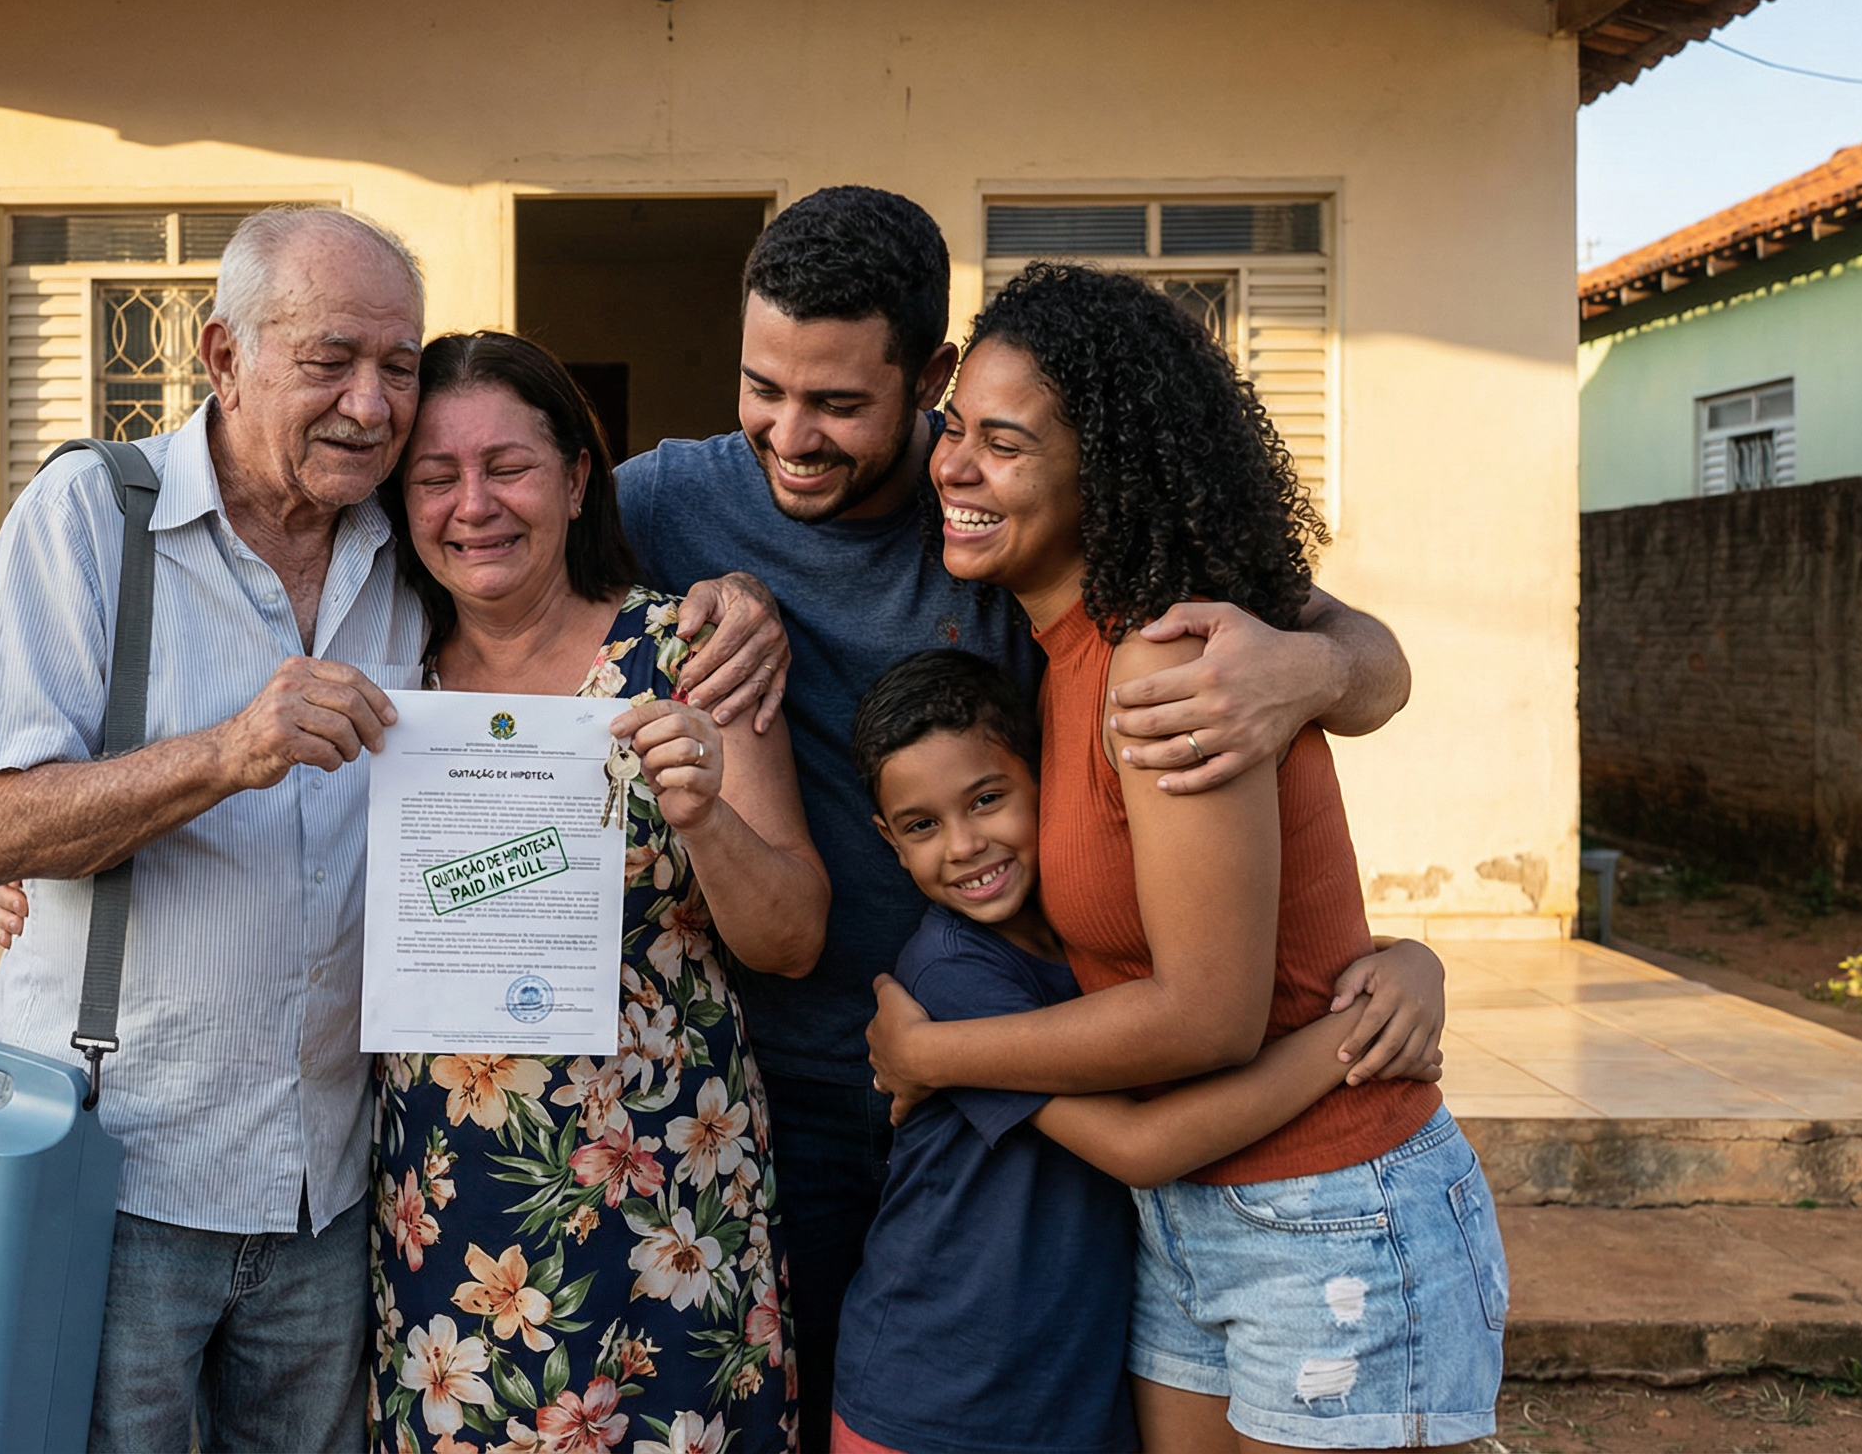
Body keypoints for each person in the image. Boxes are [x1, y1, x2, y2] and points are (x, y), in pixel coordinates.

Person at [0, 210, 789, 1451]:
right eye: (330, 358)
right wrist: (222, 755)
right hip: (127, 1177)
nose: (369, 403)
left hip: (342, 1192)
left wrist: (746, 598)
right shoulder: (89, 518)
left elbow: (567, 573)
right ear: (221, 354)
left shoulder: (404, 559)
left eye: (396, 366)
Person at [610, 186, 1421, 1452]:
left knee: (1030, 1411)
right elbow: (482, 543)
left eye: (837, 403)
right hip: (792, 1088)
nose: (789, 434)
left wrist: (1313, 672)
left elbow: (1347, 649)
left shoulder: (1021, 500)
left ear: (925, 376)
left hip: (1041, 1074)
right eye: (762, 387)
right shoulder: (671, 505)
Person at [865, 264, 1506, 1451]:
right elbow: (1359, 657)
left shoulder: (1166, 661)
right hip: (1184, 1211)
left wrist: (937, 1052)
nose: (952, 465)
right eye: (954, 427)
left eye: (1003, 445)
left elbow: (1207, 1016)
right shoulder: (1052, 636)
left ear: (1100, 473)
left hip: (1329, 1209)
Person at [369, 332, 823, 1454]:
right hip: (449, 1194)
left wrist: (705, 814)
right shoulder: (378, 664)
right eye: (435, 476)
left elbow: (792, 938)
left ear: (577, 479)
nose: (472, 504)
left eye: (507, 467)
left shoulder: (690, 649)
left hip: (668, 1185)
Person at [833, 650, 1444, 1454]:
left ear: (1044, 781)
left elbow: (1236, 947)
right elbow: (1139, 1145)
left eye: (988, 800)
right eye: (922, 826)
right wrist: (1351, 1037)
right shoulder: (951, 974)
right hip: (939, 1390)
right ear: (888, 837)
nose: (964, 845)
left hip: (1076, 1382)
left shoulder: (1093, 921)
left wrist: (1410, 961)